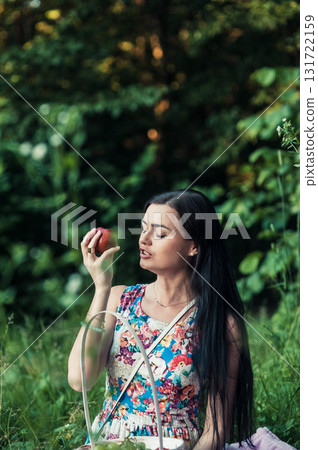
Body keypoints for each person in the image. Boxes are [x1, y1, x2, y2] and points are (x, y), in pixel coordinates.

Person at [68, 189, 255, 450]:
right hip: (109, 443)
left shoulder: (219, 322)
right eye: (144, 229)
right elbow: (80, 380)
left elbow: (216, 431)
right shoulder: (118, 299)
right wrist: (101, 287)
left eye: (160, 233)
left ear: (193, 247)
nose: (144, 239)